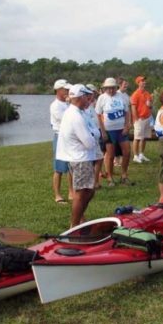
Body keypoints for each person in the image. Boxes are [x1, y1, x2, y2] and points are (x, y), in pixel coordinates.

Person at [57, 84, 99, 227]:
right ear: (80, 97)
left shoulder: (80, 112)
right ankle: (74, 226)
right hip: (81, 158)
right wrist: (95, 135)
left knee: (89, 191)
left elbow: (95, 130)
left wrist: (94, 134)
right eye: (87, 96)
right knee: (81, 194)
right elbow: (89, 142)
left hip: (82, 157)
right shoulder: (75, 116)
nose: (89, 99)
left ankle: (80, 219)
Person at [96, 77, 132, 186]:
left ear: (116, 87)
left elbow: (127, 112)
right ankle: (110, 177)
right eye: (108, 88)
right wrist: (103, 131)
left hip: (121, 129)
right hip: (109, 130)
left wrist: (127, 126)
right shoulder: (102, 98)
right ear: (105, 88)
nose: (111, 90)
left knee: (127, 152)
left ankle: (124, 175)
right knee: (110, 155)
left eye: (113, 88)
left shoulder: (122, 96)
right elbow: (98, 114)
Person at [50, 78, 74, 203]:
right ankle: (57, 195)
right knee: (59, 168)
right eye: (65, 89)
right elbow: (65, 120)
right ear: (58, 90)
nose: (67, 91)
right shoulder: (55, 105)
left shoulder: (67, 103)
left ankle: (71, 191)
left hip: (69, 137)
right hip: (60, 137)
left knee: (70, 166)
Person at [85, 84, 104, 190]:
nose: (93, 95)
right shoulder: (83, 106)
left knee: (99, 158)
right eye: (91, 93)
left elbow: (98, 118)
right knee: (90, 160)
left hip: (96, 135)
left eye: (93, 93)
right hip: (88, 137)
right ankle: (90, 182)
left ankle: (95, 181)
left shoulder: (93, 105)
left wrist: (102, 132)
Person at [130, 75, 153, 163]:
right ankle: (135, 156)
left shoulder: (147, 93)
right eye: (142, 81)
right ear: (138, 83)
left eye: (144, 81)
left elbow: (150, 106)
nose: (144, 82)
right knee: (137, 138)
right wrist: (136, 119)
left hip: (147, 118)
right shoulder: (135, 94)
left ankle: (141, 154)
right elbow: (133, 107)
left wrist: (150, 105)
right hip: (139, 119)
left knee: (145, 137)